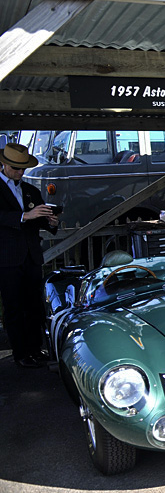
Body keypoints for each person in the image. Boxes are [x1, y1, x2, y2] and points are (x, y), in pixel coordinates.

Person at [1, 143, 60, 368]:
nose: (20, 172)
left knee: (34, 305)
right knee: (14, 306)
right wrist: (24, 216)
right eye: (16, 168)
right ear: (4, 165)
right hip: (7, 258)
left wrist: (51, 221)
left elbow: (41, 216)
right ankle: (20, 352)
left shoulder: (30, 190)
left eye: (22, 168)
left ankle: (36, 349)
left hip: (31, 255)